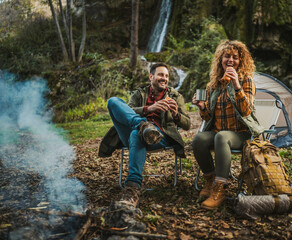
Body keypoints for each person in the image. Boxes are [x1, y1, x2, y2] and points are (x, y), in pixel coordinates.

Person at [100, 62, 191, 207]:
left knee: (137, 134)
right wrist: (148, 109)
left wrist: (175, 114)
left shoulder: (175, 96)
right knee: (113, 101)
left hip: (160, 136)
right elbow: (126, 112)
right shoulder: (139, 94)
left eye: (166, 76)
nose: (164, 78)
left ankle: (132, 188)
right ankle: (143, 125)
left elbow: (187, 124)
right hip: (130, 133)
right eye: (161, 75)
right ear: (151, 77)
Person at [192, 40, 264, 209]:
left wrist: (236, 85)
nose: (231, 60)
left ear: (241, 61)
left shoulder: (246, 80)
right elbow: (209, 116)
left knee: (222, 137)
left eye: (235, 57)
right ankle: (210, 181)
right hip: (219, 133)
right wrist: (202, 107)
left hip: (241, 133)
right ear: (221, 60)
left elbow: (246, 111)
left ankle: (220, 188)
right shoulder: (213, 85)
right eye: (227, 56)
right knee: (199, 139)